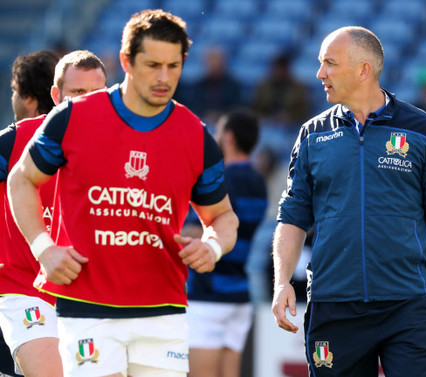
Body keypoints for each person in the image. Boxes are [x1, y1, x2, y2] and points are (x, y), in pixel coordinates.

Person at [8, 9, 238, 377]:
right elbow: (21, 179)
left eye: (173, 66)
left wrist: (212, 247)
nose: (164, 78)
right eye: (152, 65)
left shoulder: (195, 135)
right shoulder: (72, 117)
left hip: (163, 311)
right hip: (87, 308)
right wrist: (43, 248)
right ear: (126, 61)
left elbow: (223, 216)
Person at [271, 26, 426, 377]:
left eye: (329, 63)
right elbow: (293, 217)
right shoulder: (313, 134)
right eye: (320, 64)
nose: (320, 74)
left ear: (364, 70)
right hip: (333, 305)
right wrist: (282, 281)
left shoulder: (423, 130)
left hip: (408, 304)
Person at [0, 49, 107, 377]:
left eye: (96, 94)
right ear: (56, 95)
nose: (86, 101)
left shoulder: (116, 150)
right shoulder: (16, 139)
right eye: (77, 93)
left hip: (89, 299)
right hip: (24, 289)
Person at [182, 109, 267, 377]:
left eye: (219, 132)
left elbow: (196, 232)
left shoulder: (222, 181)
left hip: (209, 296)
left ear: (228, 137)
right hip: (240, 294)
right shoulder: (259, 181)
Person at [175, 46, 243, 127]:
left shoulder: (233, 86)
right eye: (210, 61)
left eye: (216, 61)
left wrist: (220, 115)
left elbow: (236, 108)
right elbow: (195, 106)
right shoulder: (198, 85)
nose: (213, 64)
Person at [251, 53, 311, 128]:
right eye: (277, 69)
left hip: (291, 126)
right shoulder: (263, 87)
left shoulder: (298, 88)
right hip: (267, 124)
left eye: (282, 69)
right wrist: (266, 118)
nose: (280, 72)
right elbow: (256, 109)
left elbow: (304, 111)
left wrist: (289, 116)